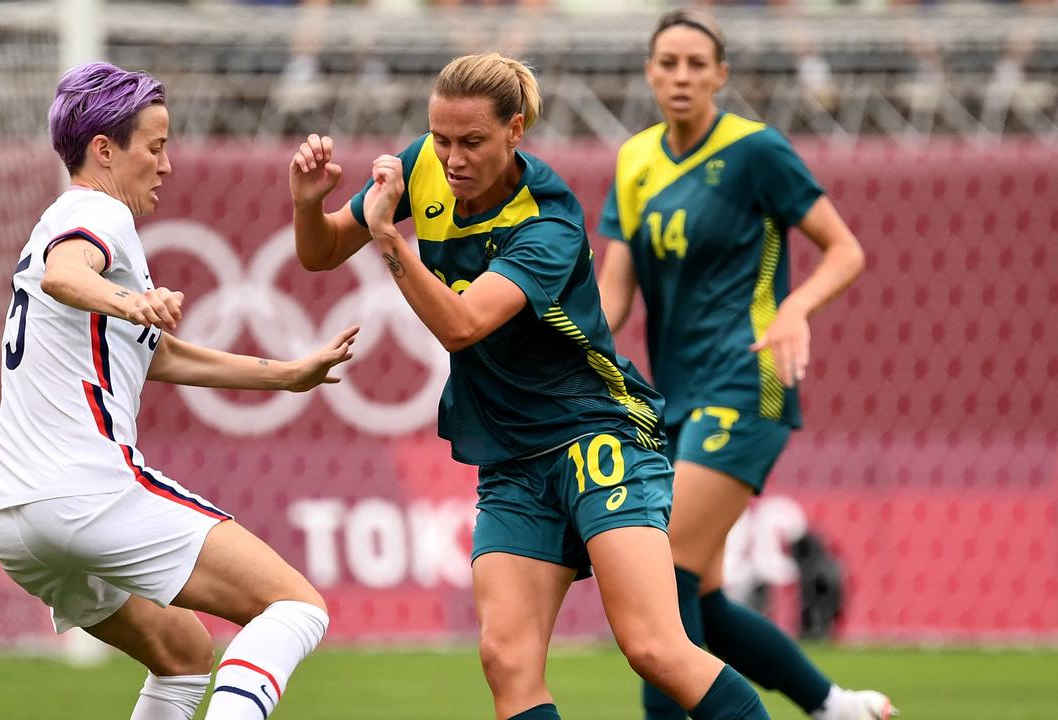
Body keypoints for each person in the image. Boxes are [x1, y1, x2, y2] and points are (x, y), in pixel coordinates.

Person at [291, 52, 771, 720]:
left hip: (597, 439)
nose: (451, 158)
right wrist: (307, 205)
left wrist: (388, 241)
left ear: (515, 131)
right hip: (513, 459)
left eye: (472, 142)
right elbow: (317, 253)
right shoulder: (426, 163)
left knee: (656, 647)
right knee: (506, 661)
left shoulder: (548, 221)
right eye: (440, 138)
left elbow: (461, 326)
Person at [0, 61, 359, 720]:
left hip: (15, 516)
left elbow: (159, 357)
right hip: (85, 492)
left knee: (182, 651)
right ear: (104, 151)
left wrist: (285, 374)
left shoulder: (67, 217)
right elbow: (67, 276)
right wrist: (130, 302)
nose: (168, 164)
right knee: (294, 605)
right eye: (155, 147)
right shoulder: (97, 211)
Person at [596, 10, 890, 720]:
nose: (682, 75)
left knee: (661, 576)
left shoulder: (757, 151)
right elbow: (613, 292)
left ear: (721, 76)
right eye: (668, 62)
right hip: (671, 396)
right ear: (649, 71)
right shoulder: (634, 160)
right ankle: (834, 706)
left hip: (749, 377)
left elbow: (844, 249)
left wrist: (796, 308)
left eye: (698, 63)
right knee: (700, 598)